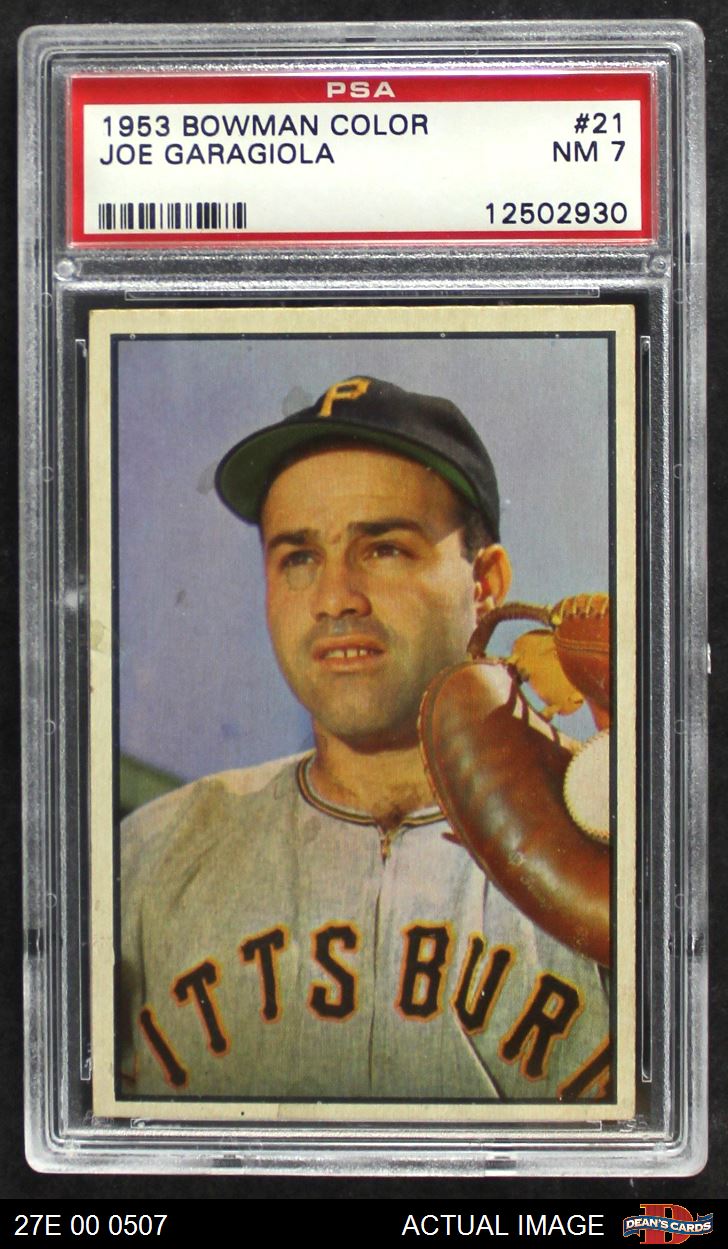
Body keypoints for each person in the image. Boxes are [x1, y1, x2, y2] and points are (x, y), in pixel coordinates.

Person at [119, 376, 610, 1104]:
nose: (335, 597)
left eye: (383, 549)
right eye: (299, 557)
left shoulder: (610, 841)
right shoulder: (151, 855)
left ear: (486, 583)